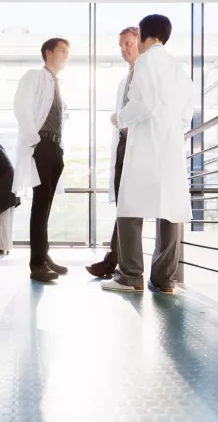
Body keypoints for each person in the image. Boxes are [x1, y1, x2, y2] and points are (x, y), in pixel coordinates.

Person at [100, 14, 195, 294]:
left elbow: (143, 103)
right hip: (171, 146)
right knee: (169, 210)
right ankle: (164, 279)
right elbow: (185, 116)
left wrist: (120, 117)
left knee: (129, 207)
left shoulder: (146, 61)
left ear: (143, 35)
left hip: (146, 145)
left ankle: (130, 276)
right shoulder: (179, 68)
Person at [12, 37, 70, 282]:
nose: (66, 55)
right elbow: (21, 108)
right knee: (39, 205)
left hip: (55, 148)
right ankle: (36, 265)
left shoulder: (56, 84)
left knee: (45, 205)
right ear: (48, 53)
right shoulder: (33, 76)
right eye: (62, 51)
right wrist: (35, 141)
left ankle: (43, 256)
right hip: (41, 145)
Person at [87, 26, 140, 278]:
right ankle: (114, 261)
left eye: (128, 43)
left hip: (136, 145)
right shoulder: (125, 79)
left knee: (129, 207)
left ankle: (114, 263)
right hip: (122, 145)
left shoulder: (145, 74)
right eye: (121, 46)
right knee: (124, 205)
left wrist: (119, 117)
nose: (124, 49)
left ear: (140, 42)